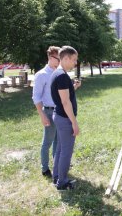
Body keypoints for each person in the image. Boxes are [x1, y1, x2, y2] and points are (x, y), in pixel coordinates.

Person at [50, 46, 81, 190]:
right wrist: (74, 123)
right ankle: (62, 182)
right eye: (74, 59)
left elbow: (64, 96)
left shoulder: (57, 73)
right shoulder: (62, 76)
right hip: (64, 118)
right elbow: (65, 102)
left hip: (60, 115)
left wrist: (73, 87)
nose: (75, 63)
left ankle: (56, 176)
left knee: (60, 149)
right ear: (66, 58)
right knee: (66, 151)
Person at [32, 46, 61, 178]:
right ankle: (45, 169)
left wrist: (74, 87)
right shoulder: (41, 74)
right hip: (48, 112)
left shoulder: (58, 72)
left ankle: (57, 165)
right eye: (58, 58)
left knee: (58, 141)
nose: (60, 61)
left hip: (59, 112)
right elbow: (36, 97)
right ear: (50, 57)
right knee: (47, 142)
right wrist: (42, 115)